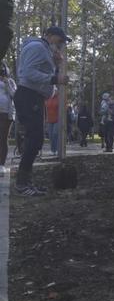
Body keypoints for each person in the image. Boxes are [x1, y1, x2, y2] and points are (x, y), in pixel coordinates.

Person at [14, 26, 71, 196]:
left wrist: (56, 64)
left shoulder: (45, 51)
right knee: (35, 138)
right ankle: (22, 184)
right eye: (59, 40)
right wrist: (54, 78)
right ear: (49, 36)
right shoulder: (37, 47)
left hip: (35, 97)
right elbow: (27, 72)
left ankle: (26, 181)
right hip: (28, 95)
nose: (61, 45)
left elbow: (41, 73)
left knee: (36, 139)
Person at [0, 62, 16, 175]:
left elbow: (15, 95)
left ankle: (1, 164)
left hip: (6, 113)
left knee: (2, 138)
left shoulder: (10, 82)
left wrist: (7, 84)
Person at [45, 89, 59, 156]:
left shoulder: (59, 98)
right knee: (50, 135)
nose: (54, 91)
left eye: (55, 90)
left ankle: (57, 149)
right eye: (53, 90)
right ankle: (53, 150)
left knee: (55, 134)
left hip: (57, 120)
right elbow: (46, 109)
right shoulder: (48, 98)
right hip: (49, 120)